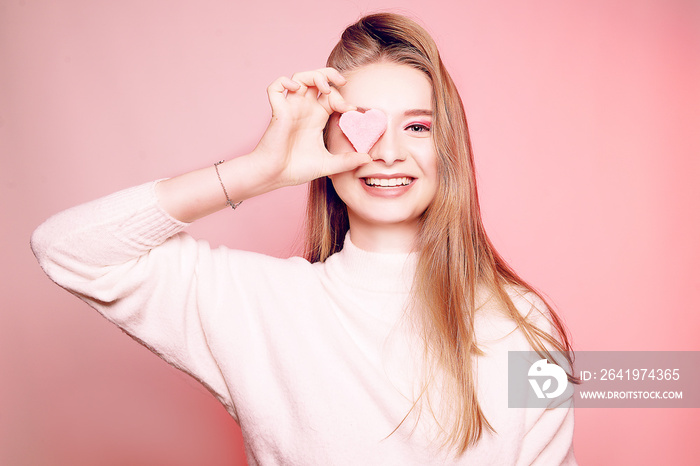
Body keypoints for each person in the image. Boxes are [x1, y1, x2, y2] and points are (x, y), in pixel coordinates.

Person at [31, 13, 576, 465]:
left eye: (417, 127)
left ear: (448, 149)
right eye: (364, 123)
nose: (388, 153)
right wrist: (259, 171)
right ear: (325, 139)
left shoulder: (524, 322)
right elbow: (67, 248)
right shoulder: (257, 305)